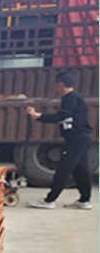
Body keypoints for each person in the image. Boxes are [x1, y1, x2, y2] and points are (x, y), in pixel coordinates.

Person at [25, 71, 93, 209]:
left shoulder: (70, 98)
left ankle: (49, 201)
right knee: (80, 170)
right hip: (80, 137)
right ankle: (84, 201)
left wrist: (38, 116)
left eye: (56, 84)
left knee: (63, 169)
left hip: (77, 139)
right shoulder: (73, 97)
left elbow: (62, 116)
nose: (55, 87)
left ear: (61, 84)